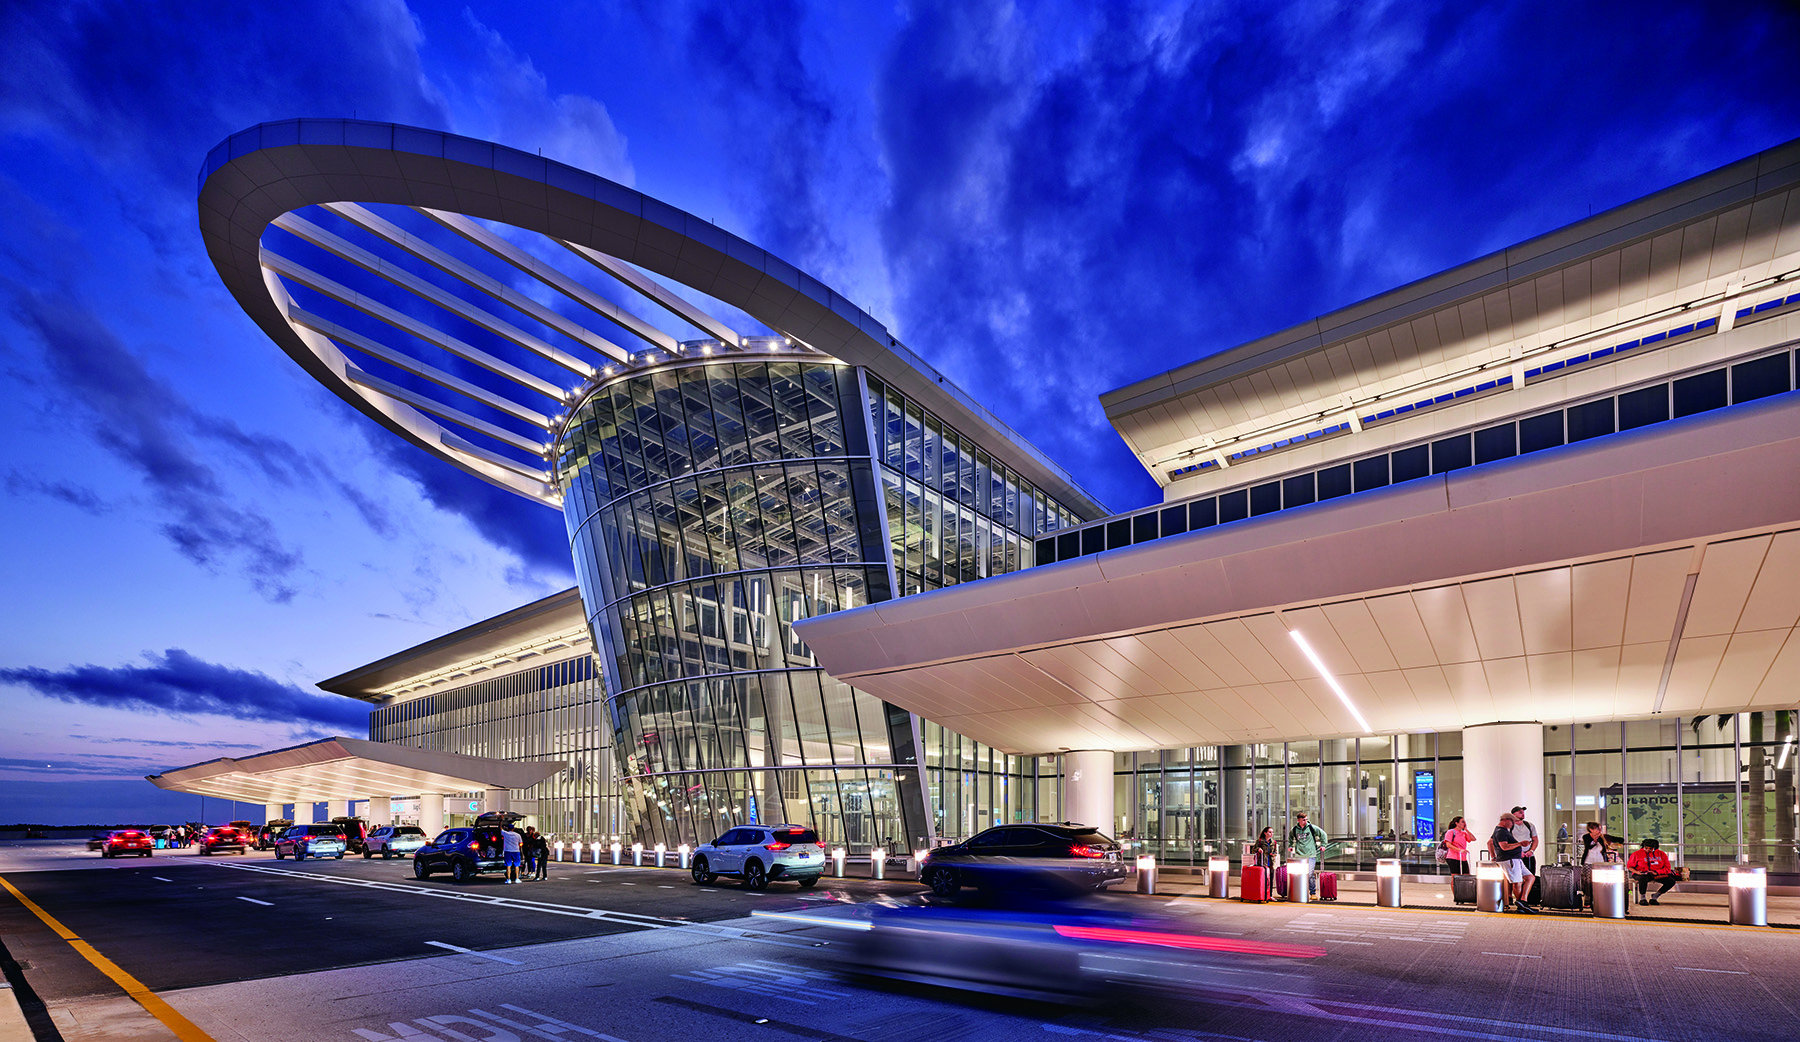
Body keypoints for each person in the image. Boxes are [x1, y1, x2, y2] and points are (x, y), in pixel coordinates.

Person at [1490, 811, 1536, 913]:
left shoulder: (1501, 830)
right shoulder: (1500, 831)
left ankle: (1523, 901)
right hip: (1509, 859)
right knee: (1517, 882)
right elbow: (1504, 847)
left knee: (1530, 877)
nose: (1513, 824)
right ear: (1505, 820)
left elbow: (1489, 842)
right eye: (1512, 822)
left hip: (1515, 859)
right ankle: (1521, 906)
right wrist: (1520, 844)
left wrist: (1494, 856)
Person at [1626, 838, 1681, 905]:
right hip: (1641, 873)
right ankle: (1642, 898)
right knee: (1643, 878)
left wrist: (1657, 872)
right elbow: (1630, 866)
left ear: (1655, 848)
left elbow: (1667, 868)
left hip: (1657, 874)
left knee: (1671, 881)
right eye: (1646, 848)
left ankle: (1655, 896)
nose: (1648, 850)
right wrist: (1637, 872)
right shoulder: (1636, 854)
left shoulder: (1662, 854)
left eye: (1651, 848)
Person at [1287, 812, 1328, 898]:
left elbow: (1323, 834)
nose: (1305, 821)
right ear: (1298, 820)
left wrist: (1323, 845)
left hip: (1310, 855)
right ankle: (1299, 892)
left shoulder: (1311, 828)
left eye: (1306, 819)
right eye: (1303, 820)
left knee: (1309, 874)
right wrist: (1290, 846)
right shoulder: (1294, 829)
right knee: (1298, 874)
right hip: (1299, 855)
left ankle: (1312, 893)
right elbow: (1290, 838)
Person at [1511, 806, 1540, 875]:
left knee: (1530, 876)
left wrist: (1531, 851)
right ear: (1514, 814)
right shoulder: (1510, 826)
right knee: (1517, 877)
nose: (1523, 814)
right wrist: (1517, 852)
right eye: (1520, 812)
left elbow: (1535, 840)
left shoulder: (1529, 825)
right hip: (1515, 857)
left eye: (1523, 812)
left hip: (1528, 856)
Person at [1251, 826, 1277, 900]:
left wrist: (1273, 854)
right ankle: (1261, 894)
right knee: (1262, 880)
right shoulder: (1260, 841)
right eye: (1269, 832)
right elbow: (1253, 850)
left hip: (1271, 864)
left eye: (1272, 832)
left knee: (1270, 881)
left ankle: (1270, 895)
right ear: (1265, 833)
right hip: (1262, 864)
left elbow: (1275, 851)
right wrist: (1258, 849)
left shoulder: (1273, 842)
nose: (1271, 834)